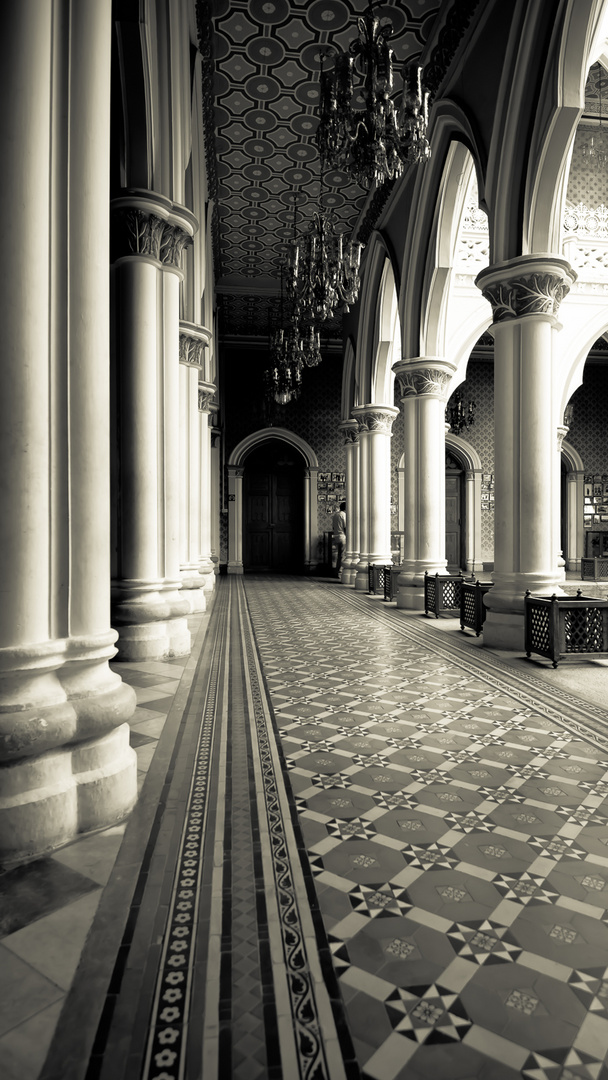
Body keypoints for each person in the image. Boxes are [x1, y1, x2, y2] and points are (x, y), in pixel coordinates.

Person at [331, 501, 347, 578]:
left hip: (336, 536)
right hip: (342, 536)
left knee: (338, 555)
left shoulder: (335, 515)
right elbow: (345, 527)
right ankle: (340, 572)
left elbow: (333, 527)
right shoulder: (344, 515)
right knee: (343, 555)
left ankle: (336, 571)